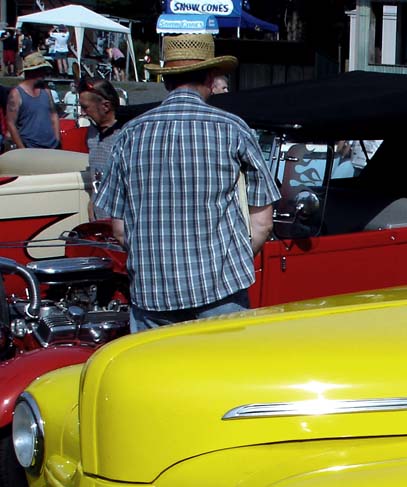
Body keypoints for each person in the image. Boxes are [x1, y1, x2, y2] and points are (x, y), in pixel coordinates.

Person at [94, 33, 280, 332]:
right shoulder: (232, 129)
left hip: (153, 294)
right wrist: (231, 261)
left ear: (167, 81)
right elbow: (263, 224)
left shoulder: (129, 134)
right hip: (220, 292)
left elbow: (119, 228)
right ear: (210, 77)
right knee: (222, 377)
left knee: (156, 378)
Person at [4, 53, 61, 150]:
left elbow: (54, 114)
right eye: (43, 70)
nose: (45, 74)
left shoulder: (46, 91)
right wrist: (21, 148)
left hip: (51, 147)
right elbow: (10, 123)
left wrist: (57, 138)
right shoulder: (16, 94)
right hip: (30, 147)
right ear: (34, 72)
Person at [78, 76, 122, 188]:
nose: (82, 113)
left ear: (105, 106)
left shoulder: (125, 136)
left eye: (85, 107)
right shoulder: (92, 134)